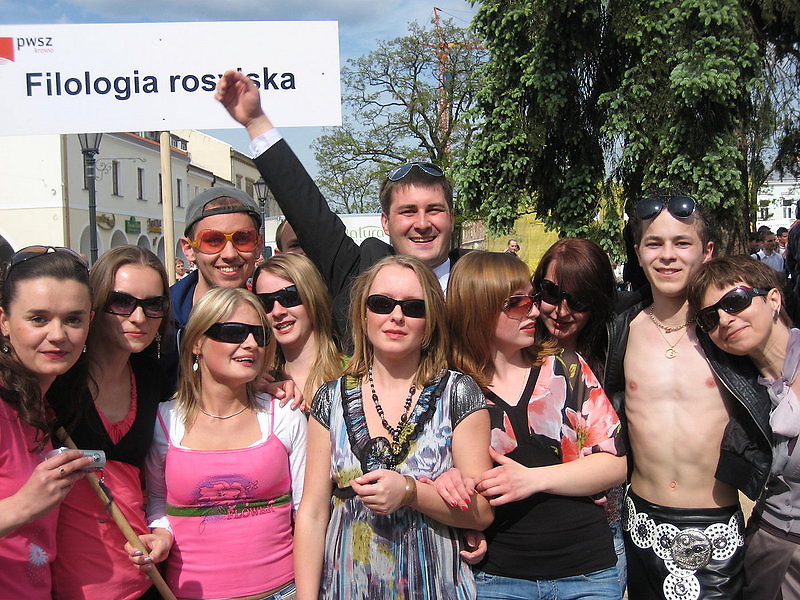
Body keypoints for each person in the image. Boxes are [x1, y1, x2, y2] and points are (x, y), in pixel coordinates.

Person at [216, 70, 467, 347]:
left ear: (452, 218)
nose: (422, 223)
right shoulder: (358, 272)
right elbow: (307, 211)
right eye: (408, 212)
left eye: (434, 210)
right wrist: (256, 121)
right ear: (385, 222)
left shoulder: (483, 280)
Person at [294, 255, 493, 599]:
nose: (396, 316)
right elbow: (312, 512)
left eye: (414, 307)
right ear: (363, 314)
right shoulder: (330, 398)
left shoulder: (458, 393)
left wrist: (411, 492)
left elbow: (482, 513)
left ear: (430, 321)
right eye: (382, 304)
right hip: (347, 587)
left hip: (433, 587)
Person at [604, 192, 772, 600]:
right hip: (640, 524)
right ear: (638, 253)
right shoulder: (620, 329)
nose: (667, 256)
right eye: (654, 243)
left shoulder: (730, 330)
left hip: (715, 529)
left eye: (682, 243)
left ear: (706, 251)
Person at [445, 251, 626, 600]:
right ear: (478, 310)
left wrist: (532, 479)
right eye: (517, 303)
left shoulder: (566, 368)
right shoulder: (453, 388)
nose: (534, 310)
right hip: (498, 577)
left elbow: (614, 463)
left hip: (587, 572)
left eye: (532, 297)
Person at [136, 287, 307, 600]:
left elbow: (305, 511)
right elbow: (158, 499)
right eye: (233, 332)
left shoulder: (285, 414)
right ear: (197, 342)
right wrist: (161, 533)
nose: (251, 343)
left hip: (283, 591)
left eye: (259, 335)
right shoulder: (163, 421)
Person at [48, 246, 172, 600]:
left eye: (154, 305)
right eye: (122, 302)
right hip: (70, 587)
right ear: (96, 304)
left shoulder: (155, 378)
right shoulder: (55, 380)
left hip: (144, 580)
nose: (139, 317)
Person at [687, 255, 798, 600]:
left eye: (735, 301)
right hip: (771, 549)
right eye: (710, 317)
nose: (724, 319)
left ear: (774, 299)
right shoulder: (744, 390)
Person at [532, 238, 627, 597]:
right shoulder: (514, 352)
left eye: (579, 300)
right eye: (551, 292)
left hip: (598, 536)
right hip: (528, 536)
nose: (561, 310)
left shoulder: (615, 355)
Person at [0, 246, 95, 600]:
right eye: (38, 319)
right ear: (4, 321)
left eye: (73, 320)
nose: (58, 335)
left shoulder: (43, 405)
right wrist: (24, 504)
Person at [253, 253, 343, 406]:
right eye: (265, 302)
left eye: (289, 297)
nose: (277, 311)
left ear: (313, 297)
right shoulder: (256, 382)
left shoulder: (356, 374)